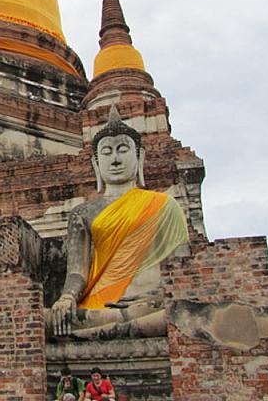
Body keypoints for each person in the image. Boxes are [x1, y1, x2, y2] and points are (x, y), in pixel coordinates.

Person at [48, 106, 189, 338]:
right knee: (46, 320)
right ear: (96, 163)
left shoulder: (165, 205)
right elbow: (77, 273)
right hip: (98, 308)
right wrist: (66, 298)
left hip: (151, 303)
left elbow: (182, 266)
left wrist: (159, 294)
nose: (115, 159)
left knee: (181, 314)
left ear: (139, 156)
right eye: (106, 152)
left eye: (122, 150)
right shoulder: (83, 212)